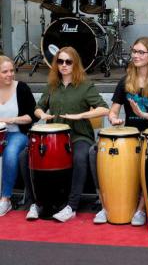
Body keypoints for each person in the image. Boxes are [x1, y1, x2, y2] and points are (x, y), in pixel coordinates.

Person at [90, 36, 148, 225]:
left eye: (140, 52)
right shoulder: (125, 81)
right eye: (134, 52)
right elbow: (113, 110)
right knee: (92, 153)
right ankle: (106, 206)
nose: (135, 56)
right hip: (130, 137)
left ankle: (140, 210)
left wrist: (143, 115)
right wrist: (113, 118)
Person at [21, 46, 109, 222]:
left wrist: (81, 115)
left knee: (80, 157)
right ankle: (35, 203)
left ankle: (72, 206)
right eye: (60, 61)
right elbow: (38, 108)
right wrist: (42, 115)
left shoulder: (85, 86)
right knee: (25, 156)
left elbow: (104, 109)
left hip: (78, 136)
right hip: (53, 138)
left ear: (75, 63)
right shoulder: (52, 85)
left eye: (68, 61)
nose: (64, 65)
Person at [0, 56, 36, 216]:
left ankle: (5, 199)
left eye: (11, 71)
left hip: (17, 133)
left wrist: (9, 120)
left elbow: (32, 116)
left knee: (11, 153)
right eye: (4, 72)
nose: (9, 74)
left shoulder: (21, 88)